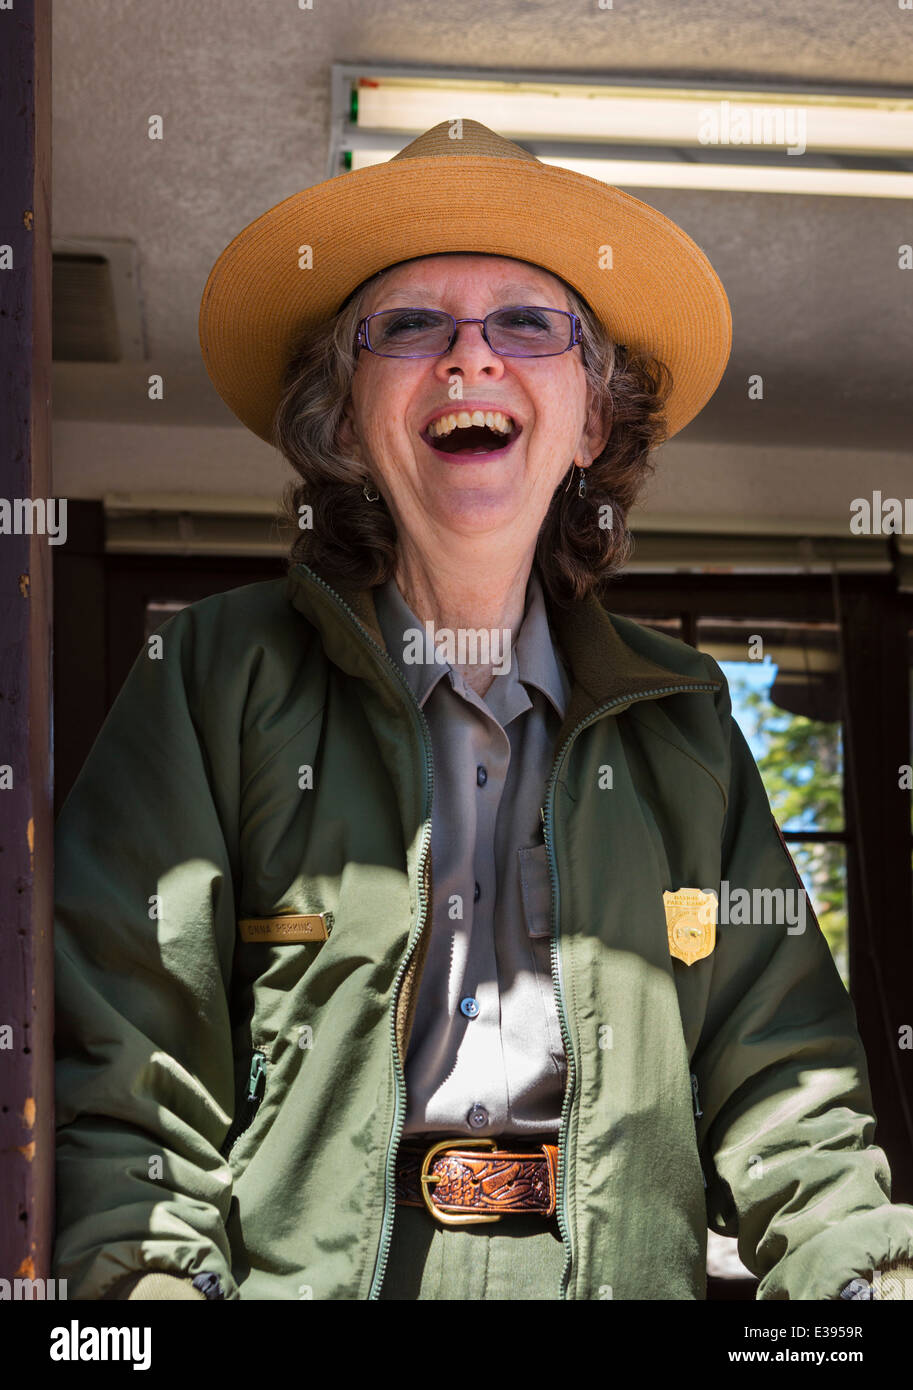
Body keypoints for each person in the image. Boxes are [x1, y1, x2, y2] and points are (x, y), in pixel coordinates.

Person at [53, 119, 913, 1301]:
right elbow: (130, 1070)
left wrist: (862, 1279)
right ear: (343, 419)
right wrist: (150, 1297)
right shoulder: (213, 673)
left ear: (592, 419)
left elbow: (783, 1077)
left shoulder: (686, 719)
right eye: (410, 325)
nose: (470, 358)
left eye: (526, 323)